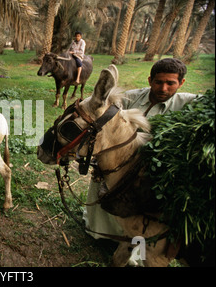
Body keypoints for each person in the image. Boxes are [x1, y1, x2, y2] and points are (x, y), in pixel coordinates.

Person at [82, 58, 198, 260]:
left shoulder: (188, 103)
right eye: (158, 82)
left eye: (171, 83)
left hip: (149, 169)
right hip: (118, 159)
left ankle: (134, 244)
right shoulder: (131, 98)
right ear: (150, 80)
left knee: (139, 210)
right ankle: (99, 233)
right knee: (99, 189)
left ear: (181, 83)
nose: (163, 88)